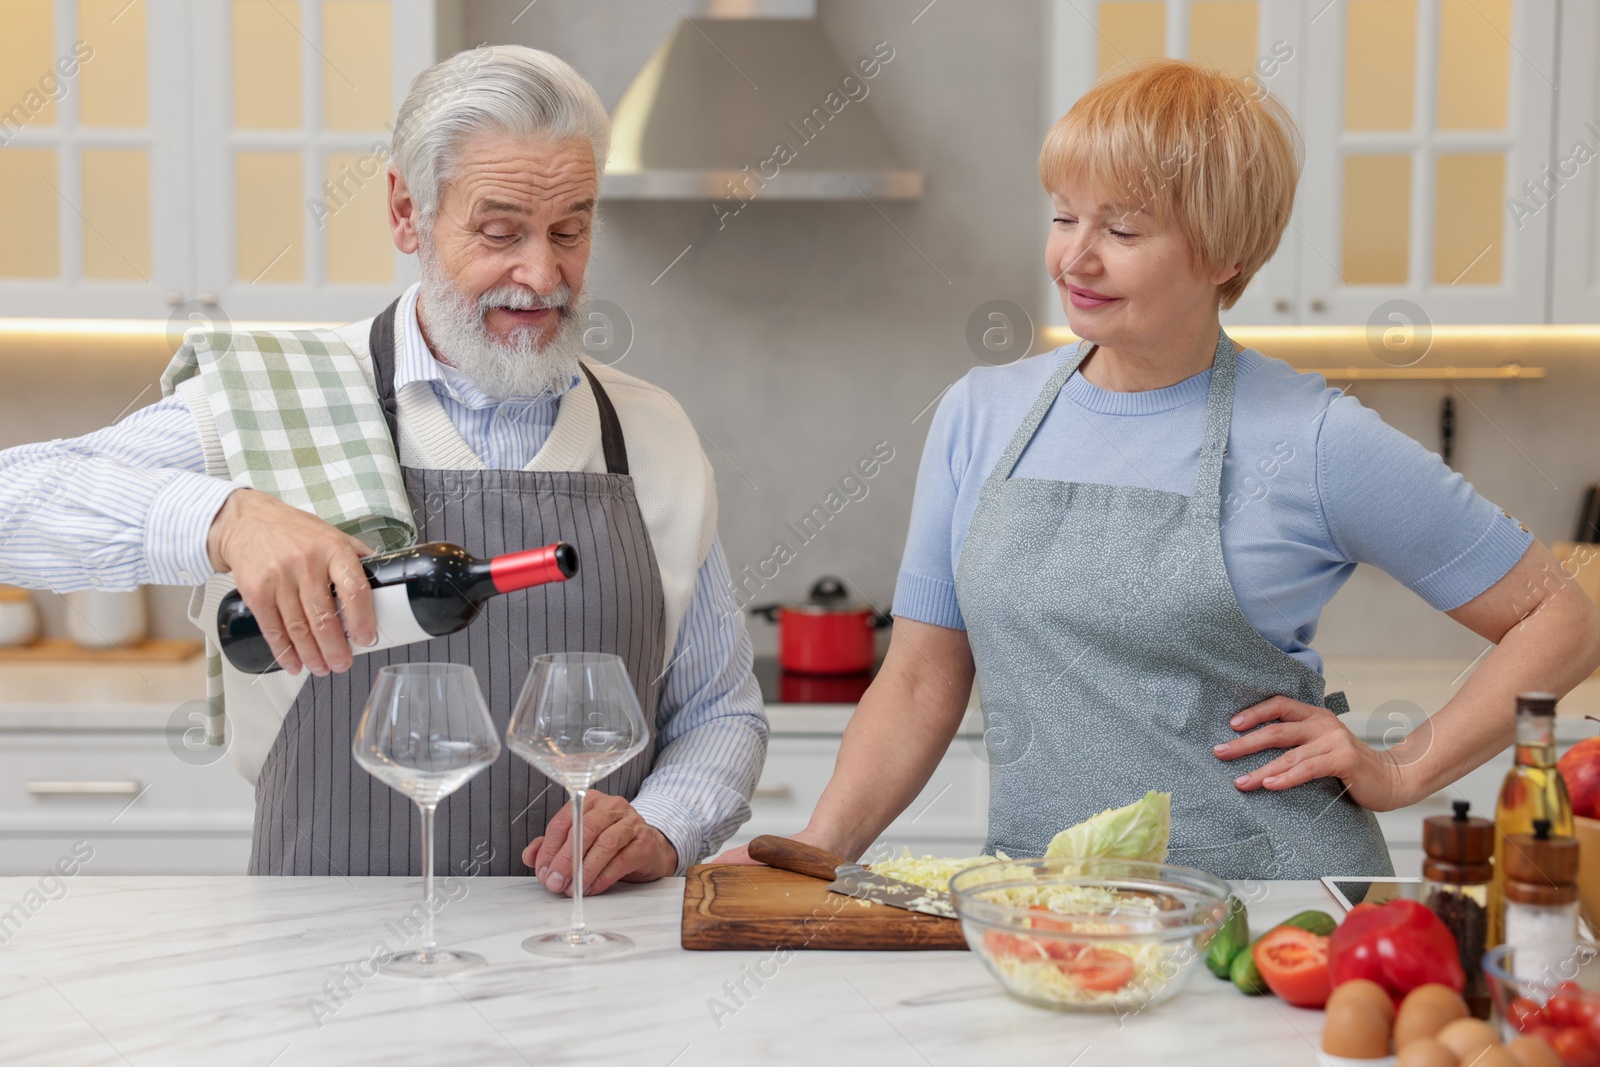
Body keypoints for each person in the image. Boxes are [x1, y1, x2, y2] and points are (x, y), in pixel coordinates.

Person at [719, 59, 1600, 879]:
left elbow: (1563, 622)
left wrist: (1404, 767)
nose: (1076, 257)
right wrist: (813, 850)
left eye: (1123, 228)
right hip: (1045, 896)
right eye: (1064, 216)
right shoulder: (981, 415)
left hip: (1266, 902)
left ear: (1226, 255)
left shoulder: (1317, 436)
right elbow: (918, 677)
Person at [0, 46, 767, 890]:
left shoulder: (649, 434)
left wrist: (667, 822)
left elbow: (719, 712)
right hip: (318, 961)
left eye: (570, 230)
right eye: (500, 231)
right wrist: (227, 518)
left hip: (582, 962)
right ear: (407, 211)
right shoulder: (277, 397)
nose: (542, 276)